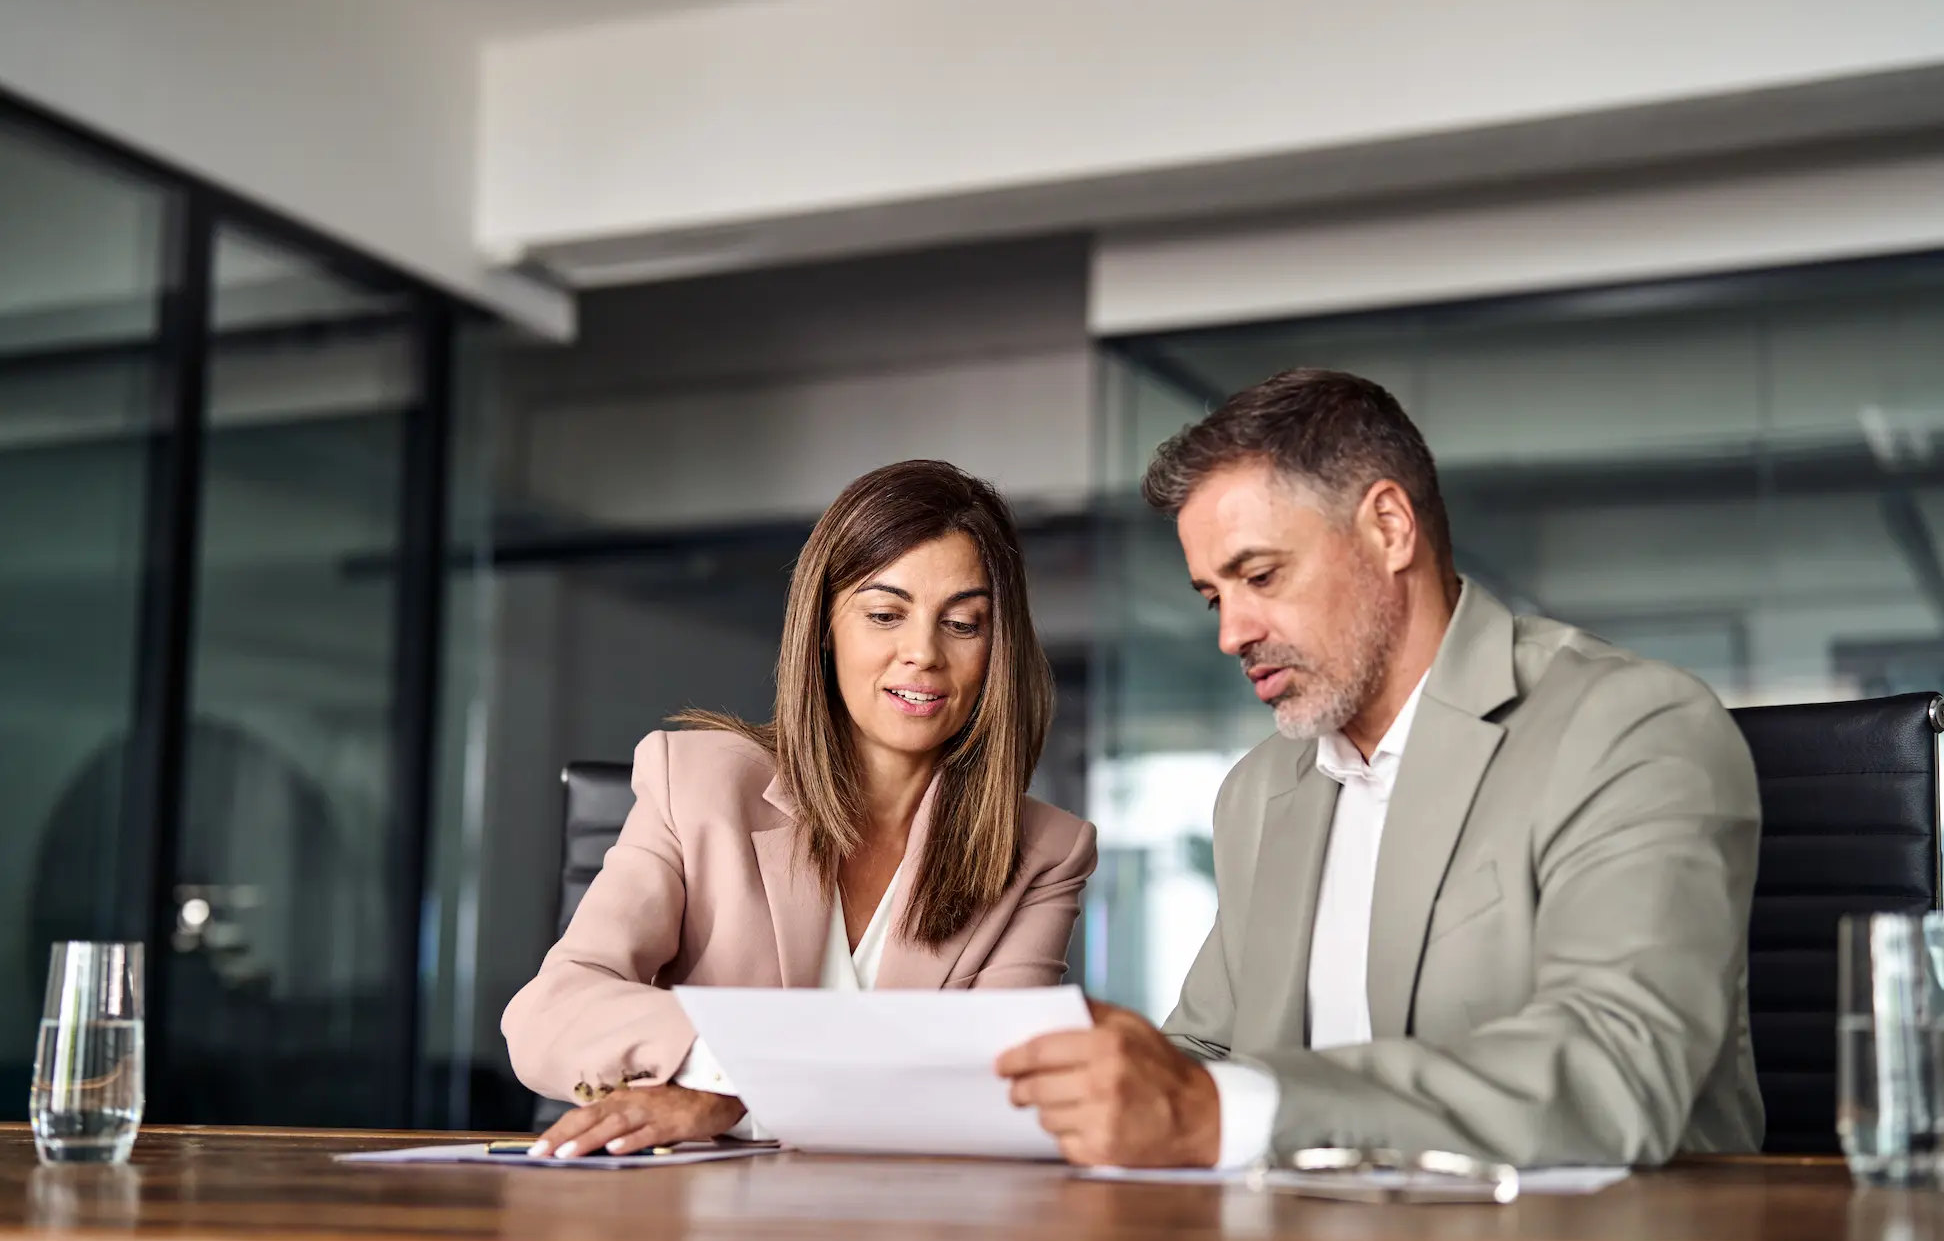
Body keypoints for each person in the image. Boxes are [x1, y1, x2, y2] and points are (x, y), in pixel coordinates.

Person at [999, 368, 1763, 1169]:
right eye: (1213, 596)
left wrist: (1229, 1110)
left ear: (1390, 528)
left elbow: (1618, 1071)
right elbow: (1207, 1053)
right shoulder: (1260, 792)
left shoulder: (1628, 727)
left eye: (1260, 576)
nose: (1232, 632)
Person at [506, 459, 1097, 1157]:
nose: (923, 654)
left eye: (963, 624)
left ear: (998, 650)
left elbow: (1001, 1091)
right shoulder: (694, 782)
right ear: (824, 628)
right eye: (884, 615)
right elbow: (549, 1013)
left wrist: (740, 1096)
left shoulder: (1046, 851)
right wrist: (724, 1077)